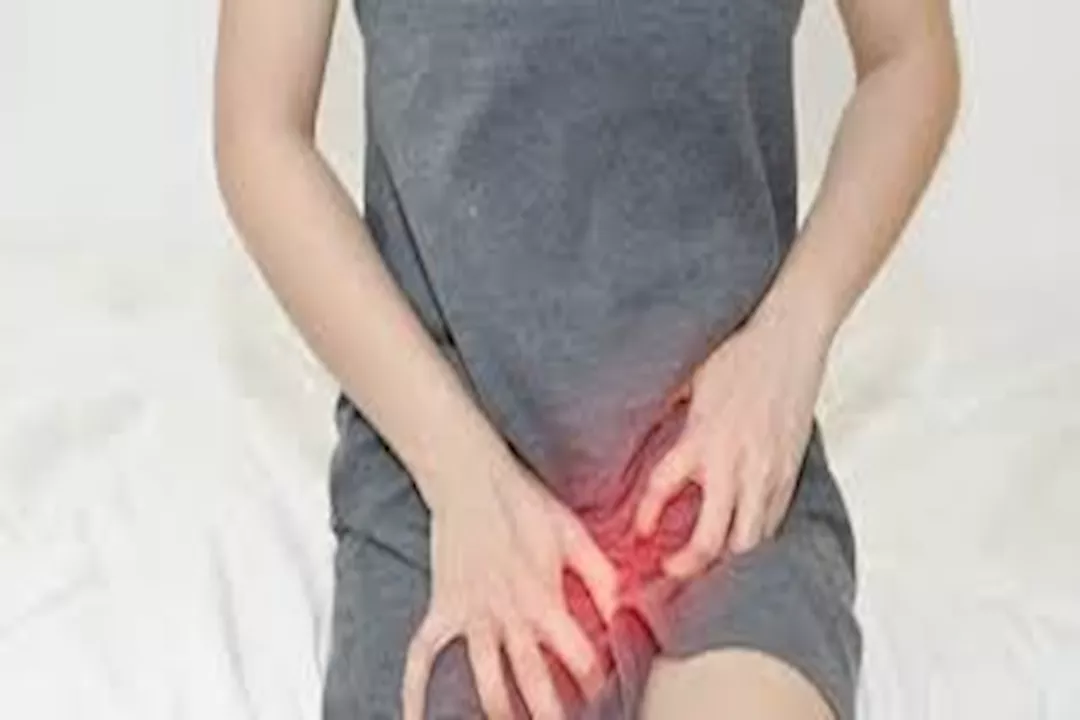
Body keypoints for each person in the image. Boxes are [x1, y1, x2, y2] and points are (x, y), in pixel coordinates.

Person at [213, 0, 959, 717]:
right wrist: (462, 475)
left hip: (713, 466)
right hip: (450, 483)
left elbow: (908, 57)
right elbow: (260, 131)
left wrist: (793, 333)